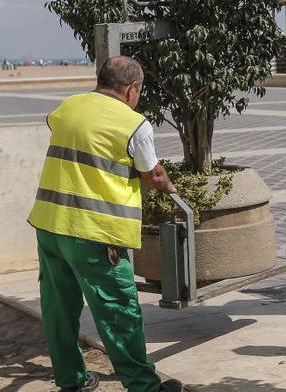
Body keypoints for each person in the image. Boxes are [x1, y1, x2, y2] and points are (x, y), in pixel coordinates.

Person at [28, 56, 182, 392]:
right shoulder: (134, 123)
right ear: (131, 89)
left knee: (58, 307)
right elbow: (153, 175)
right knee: (118, 311)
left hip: (50, 225)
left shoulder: (66, 107)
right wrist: (171, 187)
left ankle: (71, 379)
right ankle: (144, 386)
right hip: (96, 234)